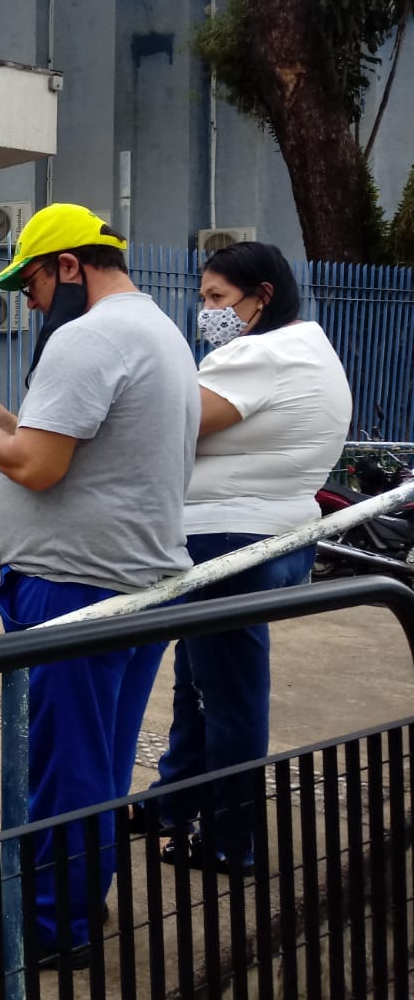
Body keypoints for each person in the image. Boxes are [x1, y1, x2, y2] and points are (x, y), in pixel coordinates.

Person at [0, 204, 200, 970]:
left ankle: (54, 930)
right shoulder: (159, 328)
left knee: (63, 766)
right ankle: (82, 898)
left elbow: (38, 467)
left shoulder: (87, 337)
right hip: (137, 578)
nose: (27, 301)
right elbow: (79, 447)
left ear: (69, 267)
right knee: (101, 758)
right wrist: (13, 424)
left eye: (30, 282)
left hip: (77, 586)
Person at [146, 241, 351, 871]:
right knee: (200, 679)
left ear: (262, 295)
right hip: (277, 535)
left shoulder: (261, 354)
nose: (206, 312)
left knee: (228, 694)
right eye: (203, 297)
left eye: (218, 298)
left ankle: (231, 841)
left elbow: (169, 419)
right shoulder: (308, 347)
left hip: (234, 543)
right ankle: (172, 803)